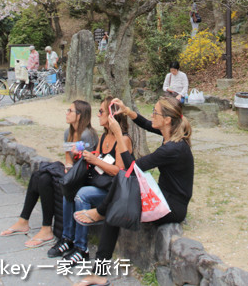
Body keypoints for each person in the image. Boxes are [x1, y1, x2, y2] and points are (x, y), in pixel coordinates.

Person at [73, 96, 194, 286]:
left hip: (172, 207)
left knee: (118, 198)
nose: (152, 115)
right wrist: (128, 112)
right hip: (162, 195)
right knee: (120, 192)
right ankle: (101, 215)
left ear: (167, 120)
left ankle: (100, 217)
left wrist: (119, 136)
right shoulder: (171, 133)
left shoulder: (173, 148)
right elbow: (146, 124)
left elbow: (131, 169)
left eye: (155, 112)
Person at [0, 100, 98, 247]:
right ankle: (24, 221)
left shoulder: (87, 135)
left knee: (44, 177)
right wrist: (67, 169)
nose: (66, 113)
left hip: (82, 176)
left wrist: (69, 171)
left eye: (70, 111)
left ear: (79, 115)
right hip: (71, 172)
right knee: (39, 175)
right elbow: (68, 158)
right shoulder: (68, 132)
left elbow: (86, 161)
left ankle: (45, 229)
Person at [48, 96, 133, 264]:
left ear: (111, 115)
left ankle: (81, 248)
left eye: (101, 111)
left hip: (113, 190)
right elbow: (74, 156)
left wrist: (94, 160)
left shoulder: (121, 139)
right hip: (99, 181)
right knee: (70, 188)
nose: (98, 115)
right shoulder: (99, 137)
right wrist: (81, 158)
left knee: (82, 194)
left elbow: (120, 172)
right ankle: (67, 238)